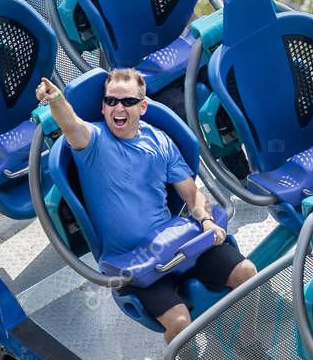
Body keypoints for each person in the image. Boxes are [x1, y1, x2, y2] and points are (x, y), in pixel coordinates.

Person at [35, 68, 256, 344]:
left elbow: (192, 194)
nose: (118, 108)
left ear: (142, 106)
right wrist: (55, 99)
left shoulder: (160, 141)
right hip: (135, 262)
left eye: (127, 101)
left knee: (247, 274)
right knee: (179, 321)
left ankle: (248, 342)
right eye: (111, 101)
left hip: (176, 243)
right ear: (103, 107)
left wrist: (206, 220)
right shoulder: (92, 141)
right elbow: (70, 123)